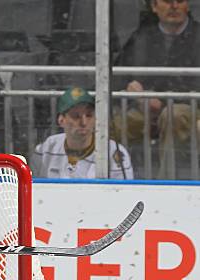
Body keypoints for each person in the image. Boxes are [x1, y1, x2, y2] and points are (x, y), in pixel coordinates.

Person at [114, 0, 200, 175]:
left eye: (180, 1)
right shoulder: (141, 37)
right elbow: (117, 76)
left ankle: (168, 186)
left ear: (188, 6)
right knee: (108, 126)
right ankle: (106, 182)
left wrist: (159, 104)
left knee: (172, 115)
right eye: (168, 1)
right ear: (154, 6)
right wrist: (132, 91)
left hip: (192, 109)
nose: (174, 6)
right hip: (144, 110)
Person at [31, 87, 134, 179]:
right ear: (61, 120)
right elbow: (31, 189)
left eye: (89, 115)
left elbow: (123, 194)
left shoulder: (113, 152)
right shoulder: (47, 148)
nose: (84, 123)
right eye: (76, 116)